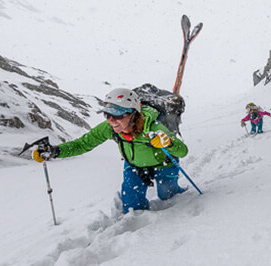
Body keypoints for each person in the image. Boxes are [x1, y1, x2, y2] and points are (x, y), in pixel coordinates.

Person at [32, 87, 189, 213]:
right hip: (134, 166)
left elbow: (182, 151)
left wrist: (167, 143)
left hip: (164, 163)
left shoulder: (153, 127)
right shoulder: (110, 128)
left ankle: (181, 195)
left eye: (117, 115)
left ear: (133, 114)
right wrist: (55, 151)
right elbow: (82, 144)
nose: (111, 120)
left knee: (167, 196)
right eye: (107, 114)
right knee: (132, 206)